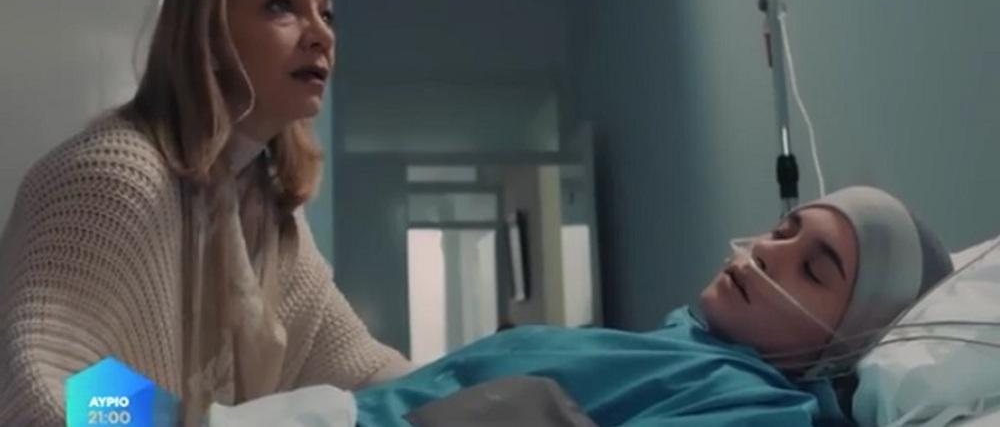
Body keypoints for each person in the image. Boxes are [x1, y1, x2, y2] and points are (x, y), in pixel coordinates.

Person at [0, 0, 411, 426]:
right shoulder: (116, 177)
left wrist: (464, 386)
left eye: (326, 14)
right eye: (282, 6)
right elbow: (43, 390)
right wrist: (197, 422)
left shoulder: (262, 201)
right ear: (209, 38)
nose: (321, 35)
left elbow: (359, 368)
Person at [355, 186, 954, 426]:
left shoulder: (759, 409)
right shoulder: (687, 346)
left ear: (846, 343)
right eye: (782, 230)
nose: (768, 254)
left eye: (814, 271)